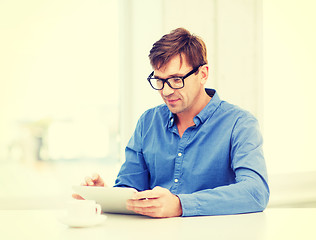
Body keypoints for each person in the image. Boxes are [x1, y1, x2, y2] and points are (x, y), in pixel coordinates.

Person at [73, 28, 270, 218]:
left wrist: (180, 205)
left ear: (203, 74)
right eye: (159, 80)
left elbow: (255, 192)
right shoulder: (148, 122)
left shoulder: (239, 123)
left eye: (176, 79)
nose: (166, 91)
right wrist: (106, 197)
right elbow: (131, 188)